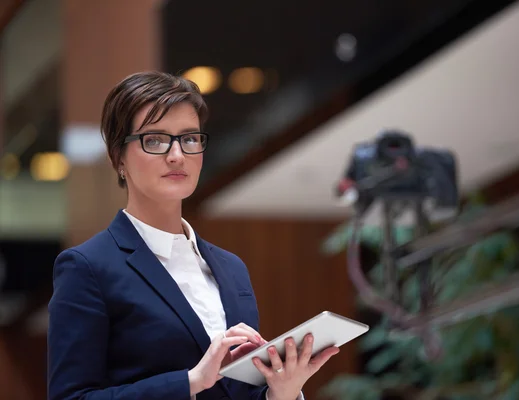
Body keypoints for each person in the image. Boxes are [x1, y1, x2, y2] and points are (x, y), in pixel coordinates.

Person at [47, 71, 340, 400]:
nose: (177, 155)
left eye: (189, 138)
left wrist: (281, 392)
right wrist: (190, 382)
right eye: (154, 140)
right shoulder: (87, 267)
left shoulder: (231, 268)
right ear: (118, 158)